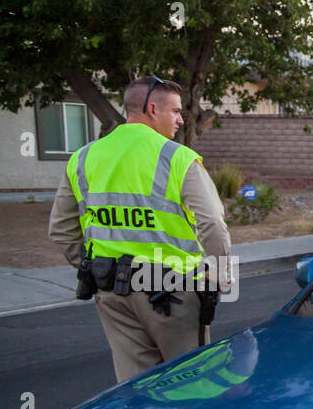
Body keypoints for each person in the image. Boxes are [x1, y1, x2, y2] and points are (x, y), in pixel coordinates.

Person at [48, 75, 232, 382]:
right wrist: (217, 275)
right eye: (175, 111)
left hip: (110, 290)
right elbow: (212, 224)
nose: (180, 120)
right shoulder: (178, 158)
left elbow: (61, 229)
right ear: (151, 109)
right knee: (192, 383)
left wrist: (91, 267)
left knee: (135, 388)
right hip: (172, 290)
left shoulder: (83, 158)